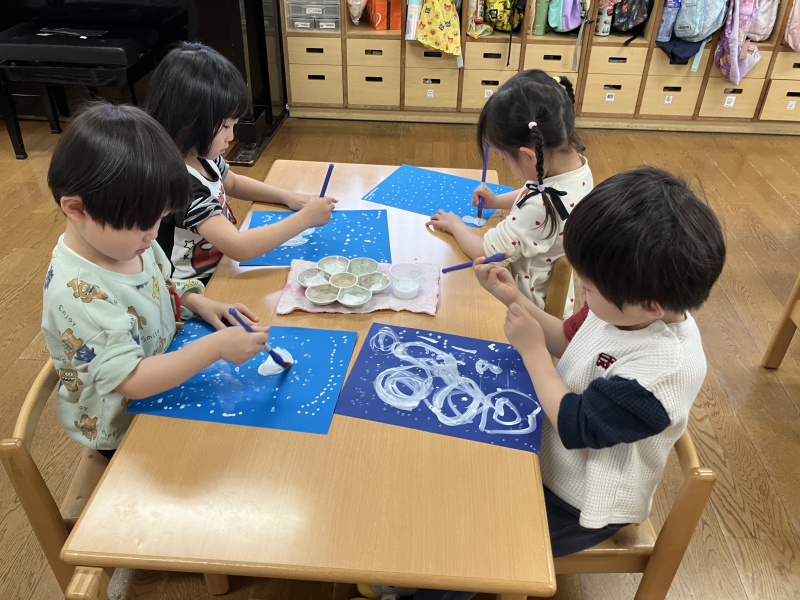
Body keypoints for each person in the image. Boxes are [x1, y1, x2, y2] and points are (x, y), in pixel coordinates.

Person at [474, 166, 726, 557]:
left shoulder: (664, 371)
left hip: (580, 500)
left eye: (589, 288)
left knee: (485, 542)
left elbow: (577, 425)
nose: (582, 291)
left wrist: (533, 352)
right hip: (547, 448)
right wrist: (512, 298)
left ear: (649, 306)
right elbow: (565, 339)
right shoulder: (624, 305)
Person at [42, 103, 270, 456]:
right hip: (125, 425)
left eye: (160, 219)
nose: (153, 235)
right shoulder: (79, 296)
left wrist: (198, 302)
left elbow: (163, 285)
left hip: (163, 379)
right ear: (76, 209)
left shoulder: (131, 245)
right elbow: (130, 380)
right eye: (142, 225)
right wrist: (216, 348)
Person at [146, 42, 337, 284]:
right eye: (226, 126)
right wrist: (306, 219)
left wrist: (288, 197)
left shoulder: (198, 151)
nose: (232, 136)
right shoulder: (182, 184)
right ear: (189, 122)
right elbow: (239, 247)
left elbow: (233, 182)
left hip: (221, 263)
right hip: (196, 286)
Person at [427, 70, 593, 317]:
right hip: (540, 285)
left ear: (529, 156)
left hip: (527, 306)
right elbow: (534, 192)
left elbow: (486, 253)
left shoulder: (541, 206)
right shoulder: (575, 168)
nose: (503, 161)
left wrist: (456, 226)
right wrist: (497, 201)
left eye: (503, 157)